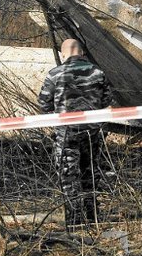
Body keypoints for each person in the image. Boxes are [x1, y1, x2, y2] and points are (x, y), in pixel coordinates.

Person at [38, 39, 114, 229]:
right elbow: (107, 100)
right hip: (92, 134)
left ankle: (74, 224)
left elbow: (44, 104)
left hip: (67, 136)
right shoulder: (98, 73)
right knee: (91, 175)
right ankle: (94, 218)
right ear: (81, 53)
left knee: (68, 178)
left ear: (64, 54)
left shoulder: (55, 74)